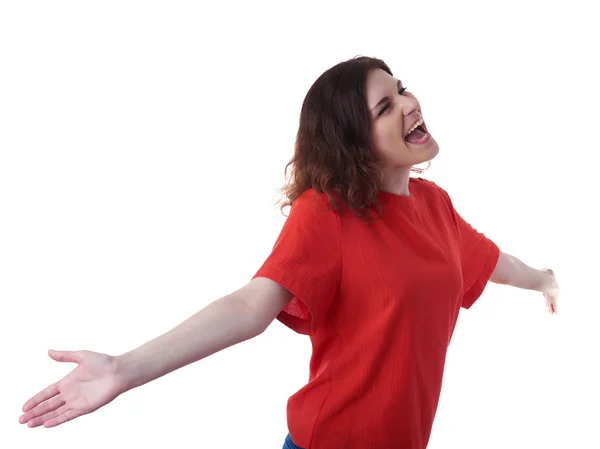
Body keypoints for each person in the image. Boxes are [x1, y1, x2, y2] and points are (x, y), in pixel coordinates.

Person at [18, 56, 560, 449]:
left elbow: (490, 262)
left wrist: (547, 280)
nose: (410, 104)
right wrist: (123, 367)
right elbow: (253, 304)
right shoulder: (329, 213)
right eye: (385, 105)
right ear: (354, 141)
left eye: (403, 89)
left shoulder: (435, 206)